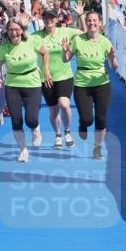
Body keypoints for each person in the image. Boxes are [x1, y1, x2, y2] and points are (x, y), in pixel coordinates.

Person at [0, 20, 52, 163]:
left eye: (17, 29)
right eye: (11, 30)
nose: (14, 33)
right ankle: (23, 150)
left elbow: (45, 53)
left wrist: (46, 71)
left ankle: (35, 127)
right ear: (7, 32)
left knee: (31, 119)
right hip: (12, 85)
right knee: (16, 120)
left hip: (32, 83)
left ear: (21, 30)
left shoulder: (31, 40)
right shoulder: (5, 47)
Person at [61, 11, 117, 160]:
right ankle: (82, 124)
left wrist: (112, 59)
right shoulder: (78, 40)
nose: (92, 23)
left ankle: (97, 148)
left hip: (102, 84)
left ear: (100, 23)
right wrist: (64, 51)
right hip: (82, 84)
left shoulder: (105, 42)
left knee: (101, 119)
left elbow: (113, 66)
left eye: (94, 20)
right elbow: (66, 59)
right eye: (89, 20)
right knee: (88, 119)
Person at [33, 8, 81, 149]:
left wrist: (81, 16)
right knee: (53, 111)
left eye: (52, 17)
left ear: (57, 19)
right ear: (42, 19)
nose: (49, 20)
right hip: (45, 78)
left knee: (65, 104)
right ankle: (58, 135)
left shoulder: (65, 31)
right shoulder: (36, 36)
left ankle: (67, 132)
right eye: (46, 17)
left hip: (64, 76)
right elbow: (20, 38)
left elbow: (84, 33)